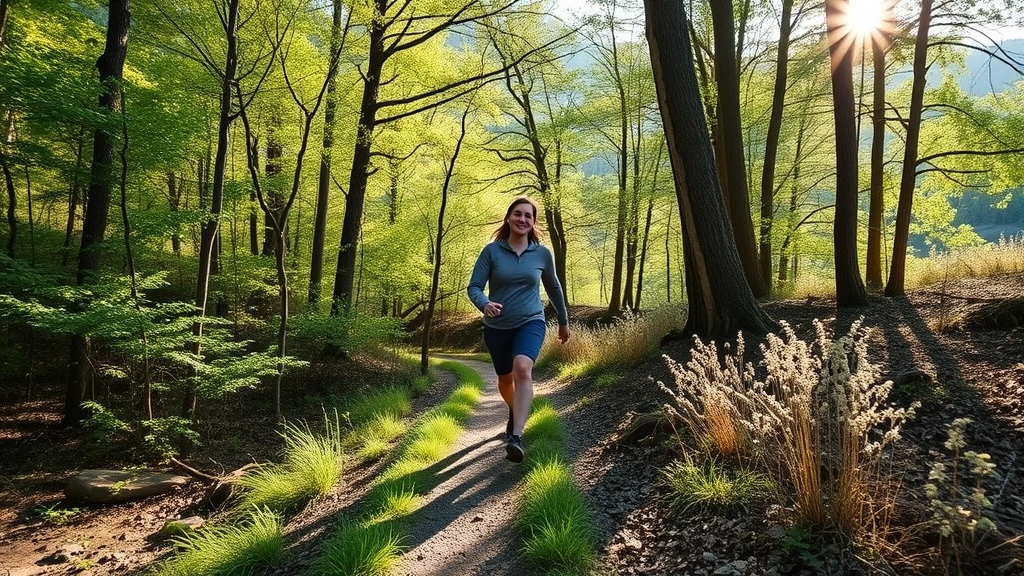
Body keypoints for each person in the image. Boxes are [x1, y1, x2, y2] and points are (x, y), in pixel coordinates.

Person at [467, 197, 570, 463]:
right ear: (509, 218)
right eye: (518, 214)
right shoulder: (492, 251)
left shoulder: (542, 253)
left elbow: (554, 287)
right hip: (496, 328)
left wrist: (563, 319)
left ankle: (517, 436)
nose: (522, 219)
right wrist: (485, 303)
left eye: (528, 216)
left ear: (533, 222)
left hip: (531, 321)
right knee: (504, 379)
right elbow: (474, 287)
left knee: (522, 369)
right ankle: (515, 410)